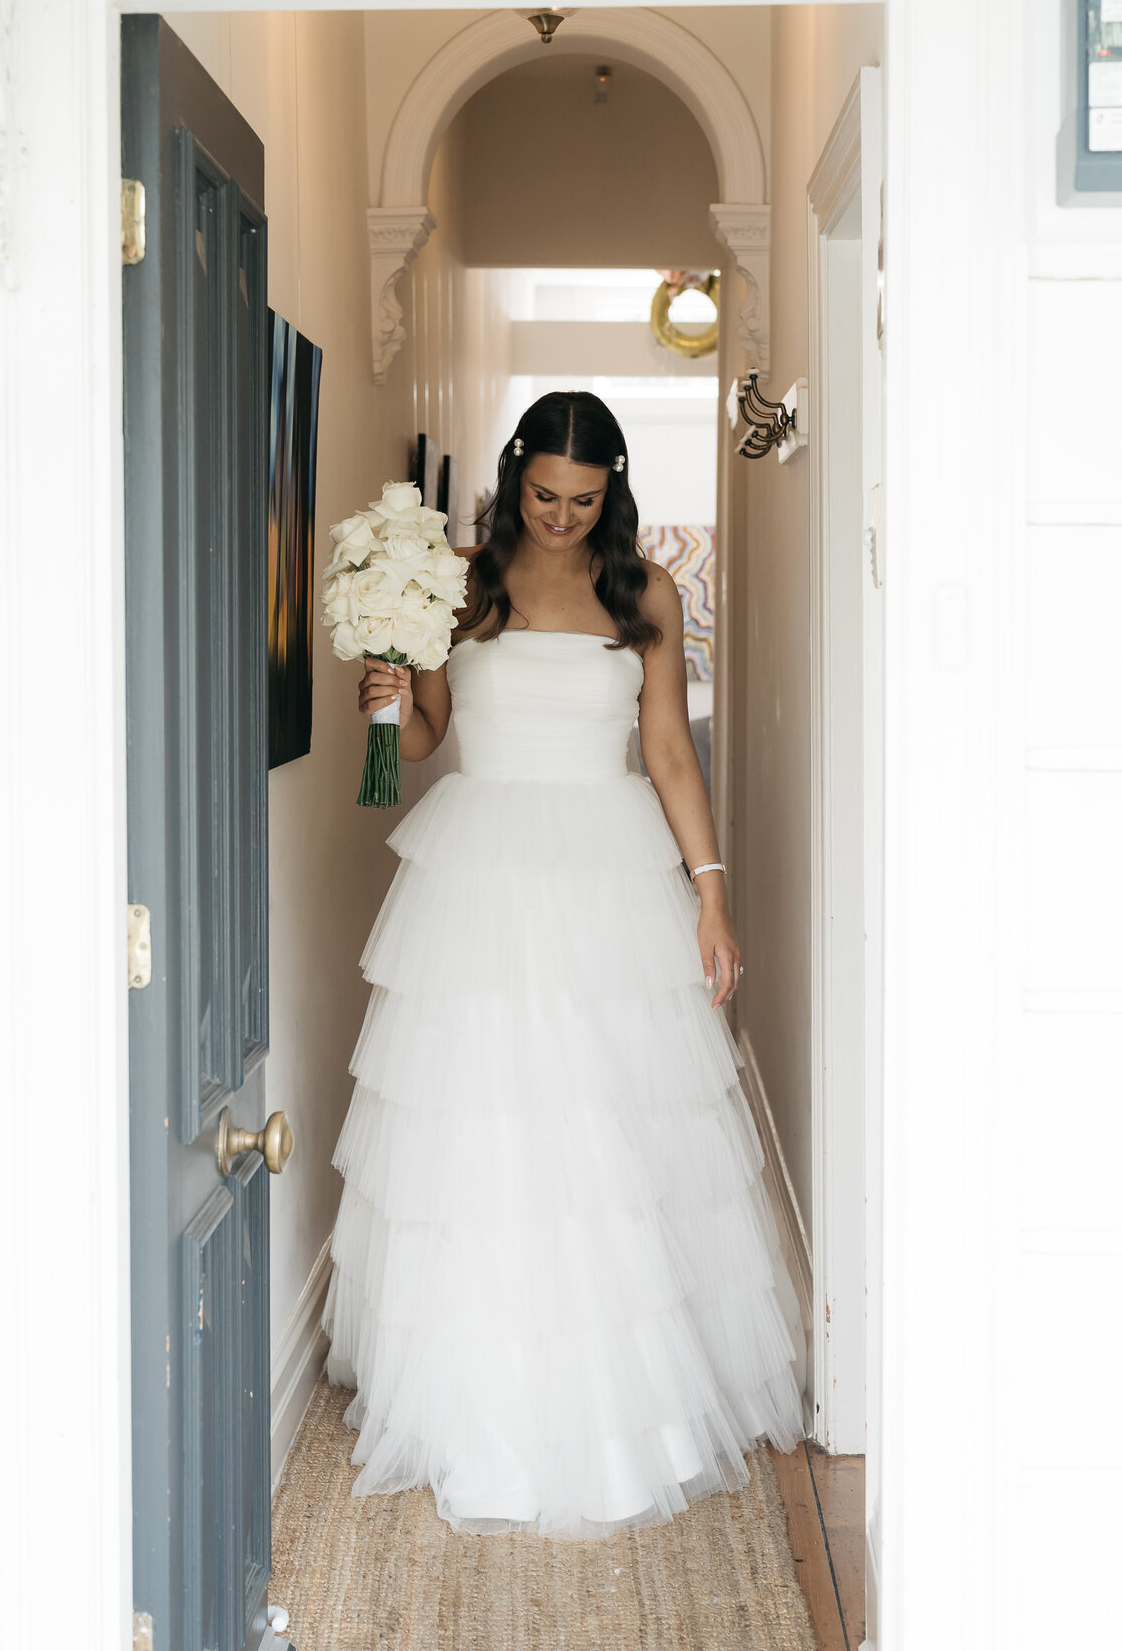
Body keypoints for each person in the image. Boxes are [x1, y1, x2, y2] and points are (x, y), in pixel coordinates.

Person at [320, 390, 805, 1537]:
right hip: (478, 880)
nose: (560, 517)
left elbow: (670, 751)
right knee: (482, 1128)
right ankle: (478, 1405)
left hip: (607, 882)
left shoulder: (645, 591)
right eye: (543, 495)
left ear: (612, 492)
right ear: (516, 473)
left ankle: (618, 1408)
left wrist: (713, 897)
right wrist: (387, 705)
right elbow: (431, 733)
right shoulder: (458, 580)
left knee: (602, 1129)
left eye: (585, 501)